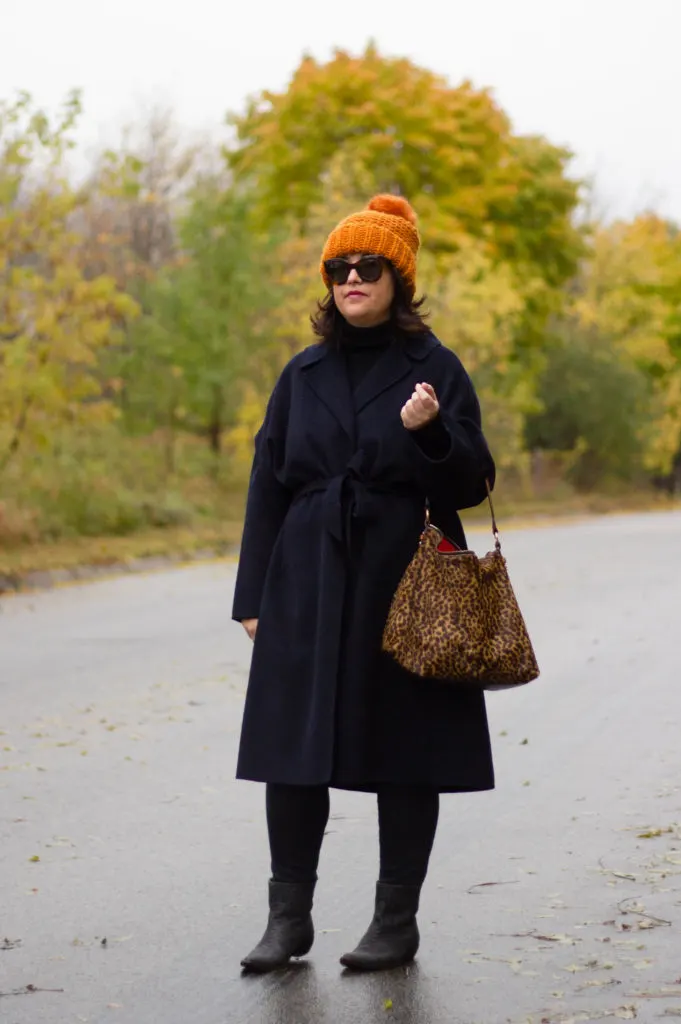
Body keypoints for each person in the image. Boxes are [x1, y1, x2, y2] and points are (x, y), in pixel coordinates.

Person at [232, 194, 496, 973]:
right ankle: (289, 921)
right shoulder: (301, 372)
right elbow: (267, 481)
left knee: (406, 747)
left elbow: (475, 479)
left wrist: (432, 433)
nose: (352, 278)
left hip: (406, 573)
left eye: (368, 266)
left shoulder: (436, 368)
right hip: (308, 575)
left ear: (398, 278)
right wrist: (252, 595)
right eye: (339, 267)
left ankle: (396, 922)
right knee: (292, 747)